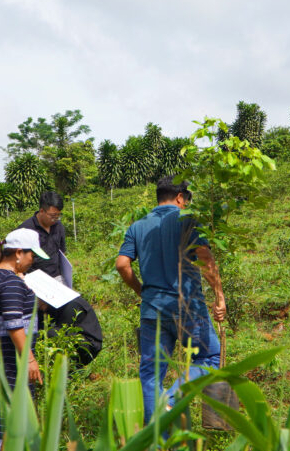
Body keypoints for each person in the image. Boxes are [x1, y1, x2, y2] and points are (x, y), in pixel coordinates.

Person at [115, 176, 226, 424]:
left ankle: (157, 439)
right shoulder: (188, 221)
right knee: (210, 358)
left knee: (150, 374)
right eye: (186, 200)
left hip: (152, 311)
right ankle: (171, 400)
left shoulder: (138, 226)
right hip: (188, 308)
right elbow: (205, 260)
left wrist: (142, 291)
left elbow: (122, 264)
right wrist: (219, 296)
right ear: (179, 197)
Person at [0, 228, 50, 451]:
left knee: (2, 408)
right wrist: (30, 359)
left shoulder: (0, 276)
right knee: (14, 410)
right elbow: (14, 325)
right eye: (32, 255)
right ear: (18, 253)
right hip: (12, 356)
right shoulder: (10, 282)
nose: (33, 261)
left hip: (2, 352)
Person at [40, 296, 103, 369]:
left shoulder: (69, 305)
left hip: (87, 345)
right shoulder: (43, 306)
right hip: (69, 338)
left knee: (49, 333)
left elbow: (61, 337)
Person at [18, 191, 68, 284]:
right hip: (34, 281)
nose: (55, 219)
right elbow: (16, 259)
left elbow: (62, 253)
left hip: (57, 278)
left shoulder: (58, 226)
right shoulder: (26, 230)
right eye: (53, 216)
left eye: (58, 215)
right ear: (41, 211)